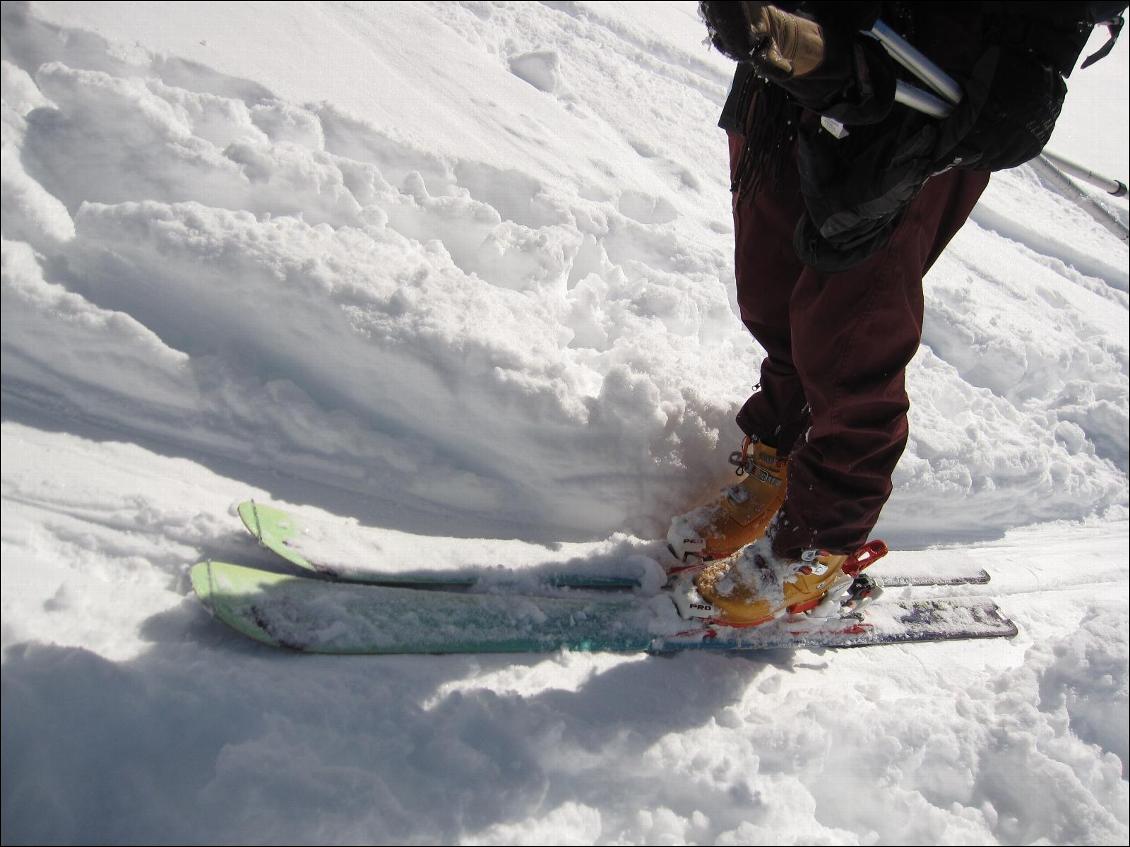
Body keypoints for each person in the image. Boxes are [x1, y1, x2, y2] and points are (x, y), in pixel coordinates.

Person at [667, 1, 1126, 626]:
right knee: (770, 285)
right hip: (800, 41)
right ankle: (781, 448)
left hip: (935, 60)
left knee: (850, 318)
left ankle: (822, 539)